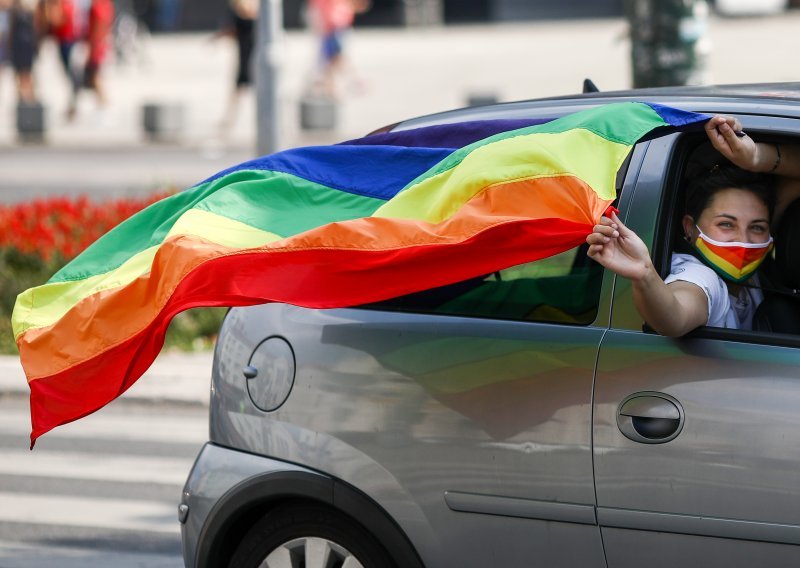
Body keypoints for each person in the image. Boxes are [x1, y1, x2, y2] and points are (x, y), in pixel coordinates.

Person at [587, 114, 800, 336]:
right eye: (726, 224)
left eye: (757, 227)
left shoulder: (758, 258)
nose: (743, 240)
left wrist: (755, 157)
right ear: (689, 227)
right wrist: (645, 275)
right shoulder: (701, 276)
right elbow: (675, 316)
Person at [307, 0, 369, 98]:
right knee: (334, 58)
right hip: (333, 26)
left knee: (333, 59)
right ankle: (331, 86)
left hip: (336, 26)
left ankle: (329, 86)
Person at [215, 0, 257, 130]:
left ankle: (229, 120)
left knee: (243, 91)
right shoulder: (239, 13)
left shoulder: (252, 12)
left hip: (253, 56)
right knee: (238, 91)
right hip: (245, 56)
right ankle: (229, 120)